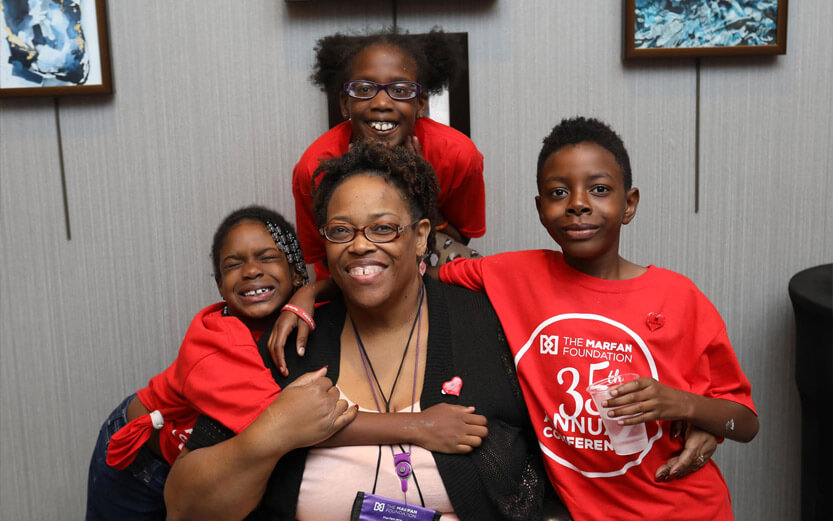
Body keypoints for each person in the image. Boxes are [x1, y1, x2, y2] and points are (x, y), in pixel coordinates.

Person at [165, 142, 550, 521]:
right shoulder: (292, 345)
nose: (360, 245)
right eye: (341, 231)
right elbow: (185, 507)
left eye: (382, 228)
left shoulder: (487, 328)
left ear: (419, 237)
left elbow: (562, 467)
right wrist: (273, 431)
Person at [434, 117, 759, 520]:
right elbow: (420, 272)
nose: (578, 203)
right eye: (558, 192)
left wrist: (684, 405)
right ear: (540, 209)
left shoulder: (679, 298)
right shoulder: (511, 276)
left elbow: (743, 424)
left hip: (686, 508)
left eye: (600, 189)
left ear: (630, 204)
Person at [85, 206, 355, 521]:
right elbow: (297, 420)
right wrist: (415, 429)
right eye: (234, 264)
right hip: (140, 458)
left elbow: (354, 277)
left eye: (267, 257)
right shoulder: (216, 337)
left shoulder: (311, 314)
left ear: (296, 271)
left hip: (201, 463)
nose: (252, 270)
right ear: (219, 285)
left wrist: (312, 290)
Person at [293, 28, 486, 281]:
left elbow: (459, 239)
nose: (382, 102)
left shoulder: (457, 156)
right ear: (344, 103)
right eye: (363, 89)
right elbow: (322, 257)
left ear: (420, 104)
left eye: (401, 90)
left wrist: (419, 191)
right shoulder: (314, 167)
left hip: (433, 269)